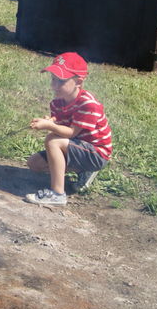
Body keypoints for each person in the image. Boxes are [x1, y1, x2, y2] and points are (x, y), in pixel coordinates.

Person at [24, 52, 112, 206]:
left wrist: (50, 126)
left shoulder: (88, 104)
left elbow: (71, 133)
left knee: (52, 140)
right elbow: (62, 125)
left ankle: (57, 193)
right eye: (53, 79)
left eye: (61, 81)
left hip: (96, 153)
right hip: (76, 147)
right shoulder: (57, 102)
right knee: (34, 163)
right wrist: (51, 121)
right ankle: (83, 170)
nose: (54, 85)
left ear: (78, 81)